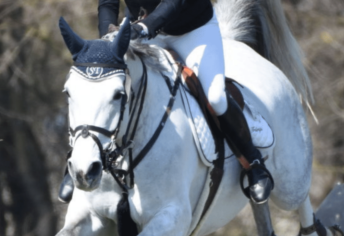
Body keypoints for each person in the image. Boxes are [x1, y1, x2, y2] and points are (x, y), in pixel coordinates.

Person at [58, 0, 274, 205]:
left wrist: (145, 27)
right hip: (141, 27)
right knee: (105, 84)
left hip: (192, 30)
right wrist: (108, 36)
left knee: (215, 97)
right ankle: (79, 162)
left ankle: (253, 162)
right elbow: (108, 3)